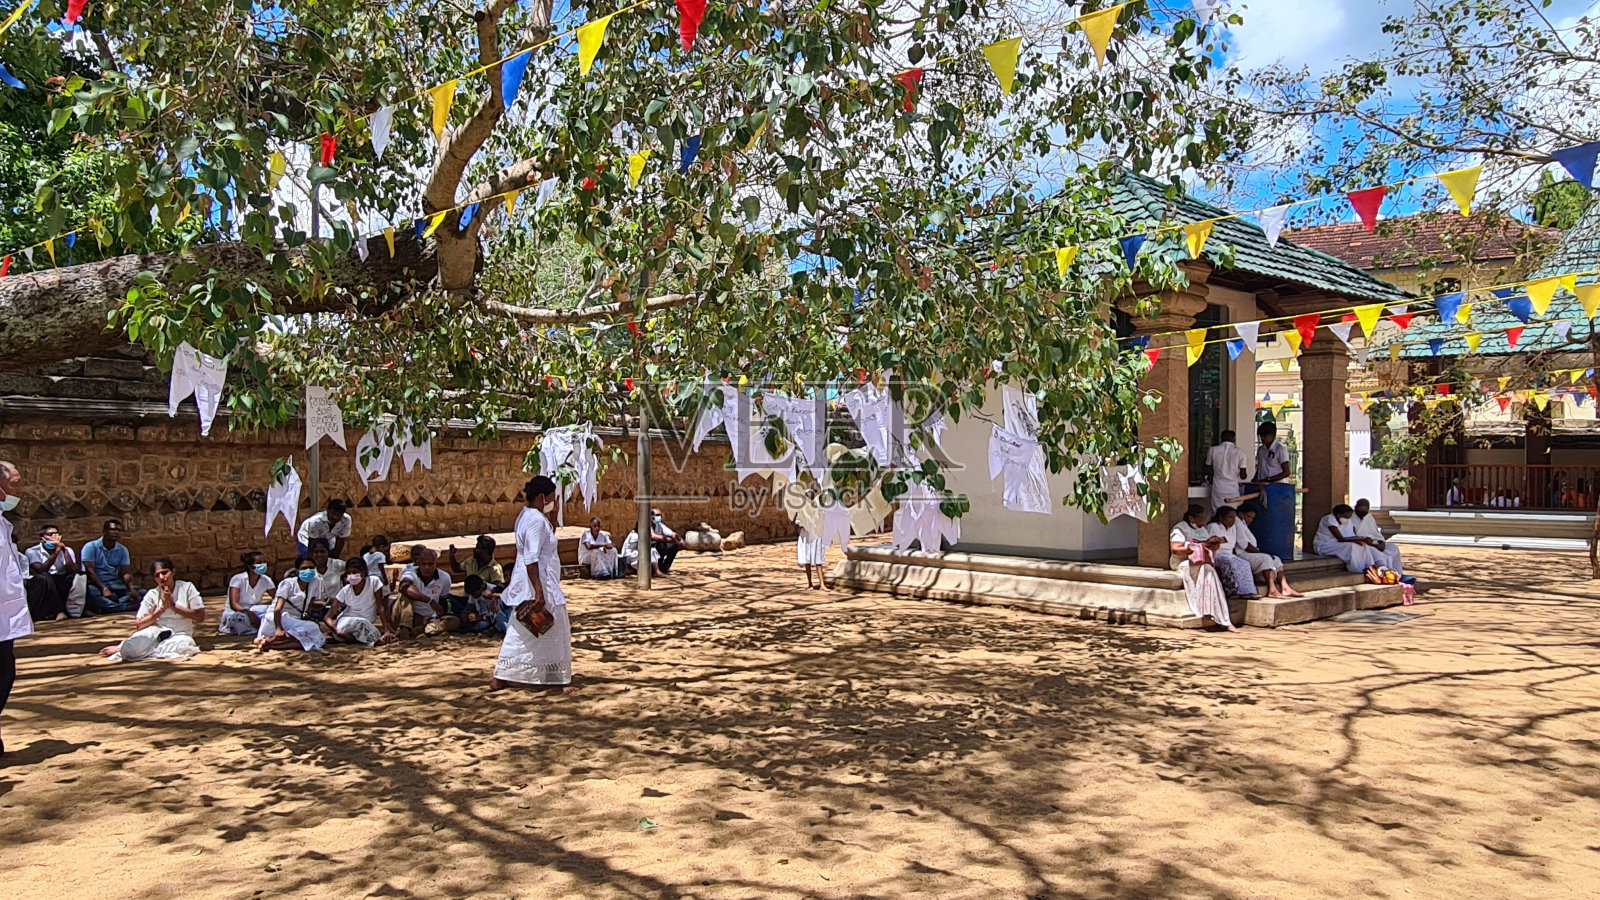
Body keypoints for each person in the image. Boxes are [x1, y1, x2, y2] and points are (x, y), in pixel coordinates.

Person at [491, 475, 576, 692]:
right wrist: (539, 592)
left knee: (523, 628)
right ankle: (556, 678)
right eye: (550, 498)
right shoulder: (535, 520)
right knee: (552, 626)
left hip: (535, 578)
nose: (552, 502)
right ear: (542, 497)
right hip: (538, 580)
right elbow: (531, 557)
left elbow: (546, 543)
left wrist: (554, 519)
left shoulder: (530, 517)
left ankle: (505, 675)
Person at [99, 559, 205, 662]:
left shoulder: (187, 587)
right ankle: (130, 649)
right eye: (157, 575)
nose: (162, 578)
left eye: (164, 573)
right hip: (156, 633)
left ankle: (141, 651)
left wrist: (173, 606)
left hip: (180, 635)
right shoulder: (152, 594)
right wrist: (160, 609)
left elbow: (200, 616)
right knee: (128, 651)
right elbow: (140, 624)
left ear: (173, 572)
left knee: (185, 646)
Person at [1, 460, 35, 755]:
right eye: (15, 483)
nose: (19, 490)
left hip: (5, 618)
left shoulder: (3, 523)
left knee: (5, 671)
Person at [1168, 504, 1239, 632]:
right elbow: (1175, 549)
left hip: (1202, 562)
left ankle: (1215, 612)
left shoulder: (1202, 530)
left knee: (1208, 571)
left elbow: (1208, 546)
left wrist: (1213, 544)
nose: (1203, 522)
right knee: (1207, 570)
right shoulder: (1179, 529)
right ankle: (1218, 615)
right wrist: (1192, 548)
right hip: (1183, 561)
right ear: (1191, 518)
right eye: (1200, 519)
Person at [255, 556, 330, 652]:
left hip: (295, 621)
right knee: (313, 628)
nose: (308, 570)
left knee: (319, 640)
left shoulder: (316, 582)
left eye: (311, 568)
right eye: (304, 568)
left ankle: (269, 645)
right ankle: (273, 639)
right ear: (297, 570)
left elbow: (310, 604)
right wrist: (278, 629)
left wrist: (308, 617)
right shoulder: (287, 584)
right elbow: (278, 608)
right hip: (277, 618)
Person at [1232, 507, 1303, 599]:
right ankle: (1272, 589)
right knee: (1266, 558)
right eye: (1248, 516)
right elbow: (1244, 545)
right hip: (1242, 554)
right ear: (1241, 514)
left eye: (1252, 518)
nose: (1250, 520)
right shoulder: (1238, 524)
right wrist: (1259, 553)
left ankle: (1285, 587)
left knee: (1276, 559)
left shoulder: (1243, 525)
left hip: (1250, 553)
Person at [327, 556, 393, 646]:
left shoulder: (373, 582)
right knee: (362, 626)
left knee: (365, 625)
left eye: (354, 572)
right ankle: (355, 639)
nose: (351, 575)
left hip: (367, 621)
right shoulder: (345, 590)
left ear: (363, 572)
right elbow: (327, 617)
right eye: (349, 573)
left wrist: (386, 629)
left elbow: (380, 606)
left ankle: (351, 639)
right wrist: (337, 631)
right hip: (347, 621)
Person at [80, 518, 138, 614]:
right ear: (104, 531)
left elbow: (125, 572)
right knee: (92, 593)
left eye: (118, 530)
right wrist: (104, 588)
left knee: (142, 593)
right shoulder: (91, 547)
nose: (116, 532)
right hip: (96, 584)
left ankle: (115, 605)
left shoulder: (122, 550)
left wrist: (131, 588)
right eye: (112, 530)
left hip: (114, 583)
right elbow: (90, 571)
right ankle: (121, 606)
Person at [1204, 507, 1261, 600]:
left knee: (1244, 564)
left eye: (1234, 518)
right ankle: (1232, 591)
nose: (1233, 520)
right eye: (1230, 517)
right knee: (1230, 563)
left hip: (1229, 554)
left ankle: (1248, 591)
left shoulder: (1233, 528)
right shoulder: (1214, 526)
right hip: (1216, 555)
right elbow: (1208, 544)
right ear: (1222, 518)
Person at [24, 524, 76, 622]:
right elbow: (41, 569)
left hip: (60, 578)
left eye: (56, 534)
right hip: (44, 582)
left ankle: (84, 608)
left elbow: (73, 570)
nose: (54, 537)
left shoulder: (67, 550)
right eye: (50, 534)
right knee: (46, 577)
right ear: (42, 538)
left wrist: (64, 551)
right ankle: (59, 611)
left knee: (79, 577)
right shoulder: (32, 551)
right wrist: (56, 552)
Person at [398, 546, 454, 635]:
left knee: (454, 621)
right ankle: (405, 629)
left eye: (430, 564)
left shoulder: (444, 578)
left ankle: (421, 629)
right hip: (409, 616)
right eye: (424, 564)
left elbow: (443, 601)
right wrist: (429, 600)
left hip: (428, 617)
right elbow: (403, 587)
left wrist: (440, 614)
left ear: (436, 564)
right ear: (419, 563)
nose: (427, 567)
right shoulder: (411, 573)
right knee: (406, 596)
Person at [1314, 504, 1384, 573]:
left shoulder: (1348, 521)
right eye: (1347, 517)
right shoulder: (1329, 519)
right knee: (1351, 546)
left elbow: (1350, 535)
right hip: (1326, 545)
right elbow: (1341, 539)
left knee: (1363, 545)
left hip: (1339, 543)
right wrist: (1360, 540)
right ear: (1339, 515)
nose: (1348, 519)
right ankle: (1357, 569)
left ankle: (1369, 567)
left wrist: (1363, 540)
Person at [219, 551, 276, 635]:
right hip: (237, 612)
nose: (263, 565)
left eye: (264, 562)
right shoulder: (238, 579)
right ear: (250, 566)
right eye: (259, 563)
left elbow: (277, 597)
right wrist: (249, 614)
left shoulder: (266, 580)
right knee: (240, 619)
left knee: (273, 612)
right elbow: (234, 604)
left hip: (254, 610)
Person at [1352, 499, 1404, 576]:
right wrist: (1372, 544)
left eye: (1365, 511)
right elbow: (1351, 536)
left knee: (1393, 548)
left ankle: (1397, 573)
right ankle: (1384, 574)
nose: (1363, 514)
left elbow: (1376, 533)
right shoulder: (1350, 518)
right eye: (1361, 511)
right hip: (1363, 544)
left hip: (1374, 542)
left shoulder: (1369, 517)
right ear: (1356, 508)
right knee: (1377, 554)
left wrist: (1381, 542)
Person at [1206, 430, 1251, 511]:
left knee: (1217, 513)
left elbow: (1208, 469)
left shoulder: (1213, 450)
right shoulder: (1240, 452)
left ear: (1221, 438)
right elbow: (1243, 476)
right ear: (1234, 439)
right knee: (1231, 513)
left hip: (1218, 487)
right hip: (1232, 489)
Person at [648, 508, 684, 574]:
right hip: (648, 548)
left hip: (658, 546)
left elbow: (671, 533)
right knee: (660, 545)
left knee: (673, 547)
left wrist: (679, 539)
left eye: (660, 515)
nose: (659, 517)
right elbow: (654, 537)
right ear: (651, 516)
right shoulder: (647, 525)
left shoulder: (660, 525)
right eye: (657, 515)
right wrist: (673, 541)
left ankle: (664, 568)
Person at [797, 525, 829, 590]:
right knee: (807, 560)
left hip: (817, 535)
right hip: (806, 537)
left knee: (818, 559)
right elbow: (800, 524)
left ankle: (822, 584)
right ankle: (810, 584)